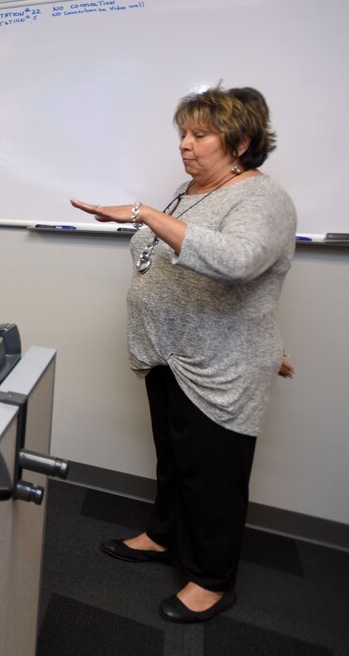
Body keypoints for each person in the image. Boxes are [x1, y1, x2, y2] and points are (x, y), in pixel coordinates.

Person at [70, 86, 296, 624]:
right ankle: (166, 536)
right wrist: (153, 218)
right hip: (169, 354)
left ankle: (212, 580)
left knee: (211, 475)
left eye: (199, 135)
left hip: (220, 363)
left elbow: (239, 261)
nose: (185, 145)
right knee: (175, 461)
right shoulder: (189, 190)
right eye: (183, 134)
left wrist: (145, 213)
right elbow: (167, 255)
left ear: (240, 142)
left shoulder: (262, 199)